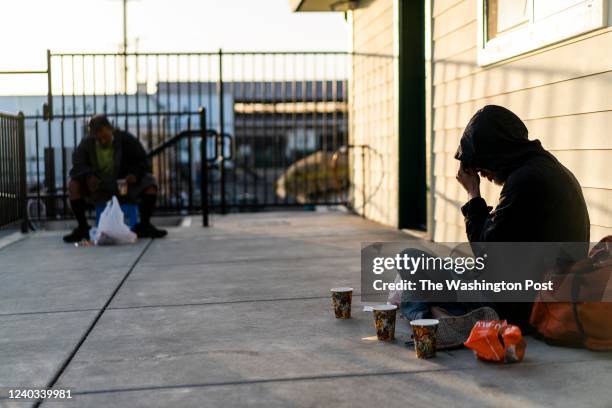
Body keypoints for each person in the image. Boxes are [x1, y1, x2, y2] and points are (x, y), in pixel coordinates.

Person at [455, 105, 590, 327]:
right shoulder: (545, 169)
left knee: (413, 262)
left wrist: (473, 194)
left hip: (523, 304)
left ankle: (435, 319)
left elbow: (485, 251)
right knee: (431, 276)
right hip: (539, 294)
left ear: (496, 151)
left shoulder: (525, 181)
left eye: (483, 168)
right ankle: (438, 314)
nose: (484, 176)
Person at [63, 115, 167, 243]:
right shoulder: (86, 144)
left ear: (111, 129)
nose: (102, 141)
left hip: (124, 185)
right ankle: (83, 227)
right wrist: (89, 176)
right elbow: (77, 165)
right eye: (98, 138)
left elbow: (142, 161)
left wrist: (134, 174)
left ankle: (144, 224)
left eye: (104, 137)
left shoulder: (126, 139)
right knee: (73, 185)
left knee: (150, 183)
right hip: (99, 187)